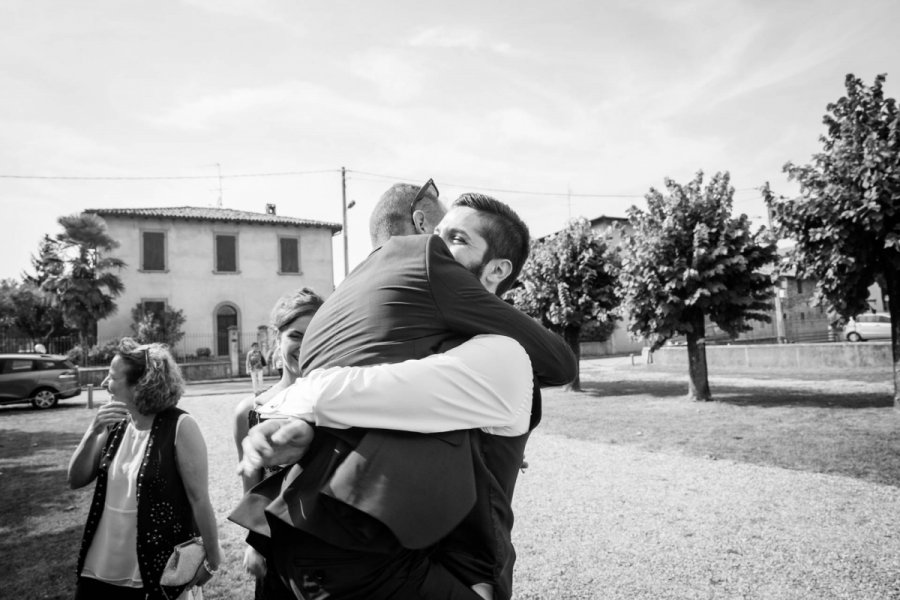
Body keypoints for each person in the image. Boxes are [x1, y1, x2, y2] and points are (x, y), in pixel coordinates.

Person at [232, 186, 576, 599]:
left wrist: (295, 403)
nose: (432, 247)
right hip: (405, 554)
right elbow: (384, 412)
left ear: (497, 270)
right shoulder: (429, 344)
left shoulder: (501, 355)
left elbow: (354, 395)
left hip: (468, 572)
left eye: (457, 239)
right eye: (438, 233)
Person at [68, 338, 222, 600]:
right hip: (100, 564)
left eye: (112, 377)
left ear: (140, 385)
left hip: (153, 570)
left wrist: (213, 558)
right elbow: (76, 479)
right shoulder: (114, 423)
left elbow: (199, 499)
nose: (105, 383)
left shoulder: (180, 426)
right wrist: (92, 431)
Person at [232, 288, 324, 599]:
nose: (306, 345)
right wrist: (253, 542)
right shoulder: (250, 411)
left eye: (316, 334)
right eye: (296, 335)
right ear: (277, 339)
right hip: (275, 546)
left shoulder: (337, 406)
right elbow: (252, 486)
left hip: (329, 546)